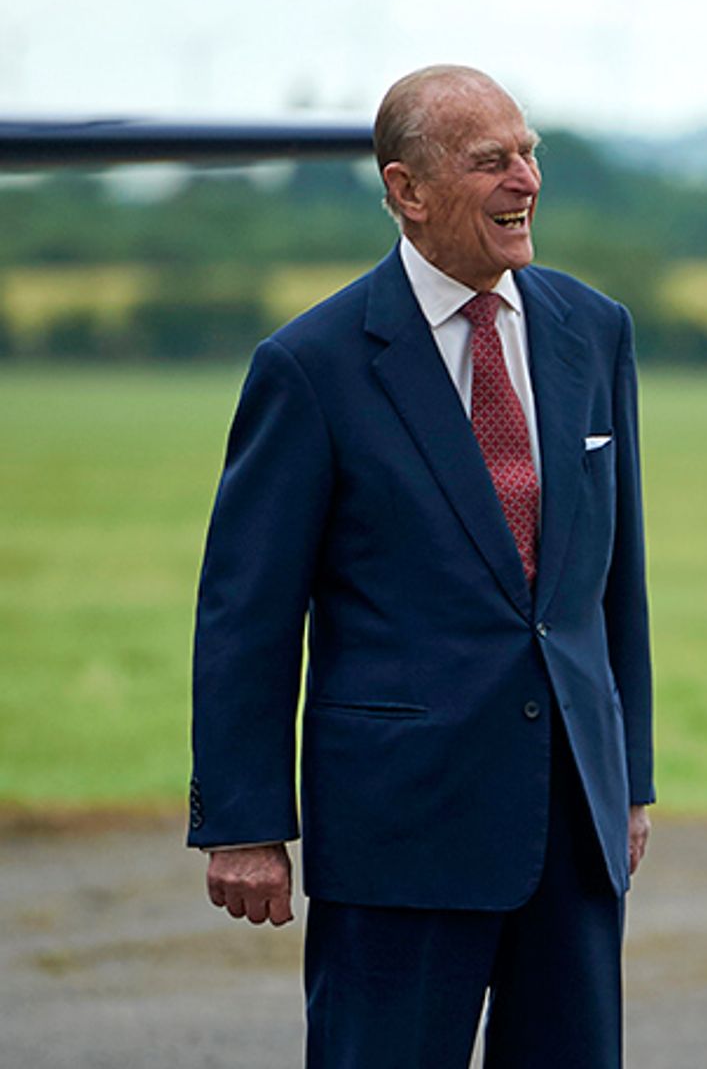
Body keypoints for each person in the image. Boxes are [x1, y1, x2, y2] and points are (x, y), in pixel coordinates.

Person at [186, 65, 653, 1068]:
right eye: (493, 162)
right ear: (407, 190)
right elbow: (247, 614)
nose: (526, 180)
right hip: (400, 830)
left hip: (572, 819)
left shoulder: (593, 331)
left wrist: (631, 778)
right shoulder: (310, 366)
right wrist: (245, 824)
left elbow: (618, 585)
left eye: (529, 154)